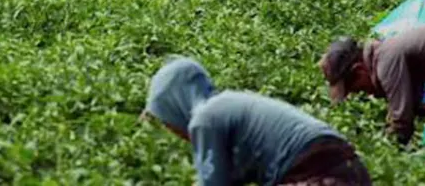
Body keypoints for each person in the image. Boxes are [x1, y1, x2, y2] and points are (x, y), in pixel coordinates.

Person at [144, 57, 371, 186]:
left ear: (174, 106)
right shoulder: (226, 106)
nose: (172, 130)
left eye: (166, 121)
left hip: (314, 169)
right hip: (348, 166)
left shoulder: (205, 118)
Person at [320, 24, 425, 145]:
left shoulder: (387, 60)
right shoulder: (386, 54)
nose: (358, 93)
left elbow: (401, 121)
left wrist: (381, 150)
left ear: (359, 70)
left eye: (354, 89)